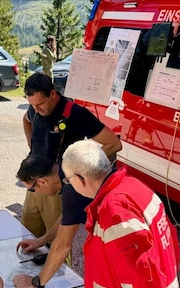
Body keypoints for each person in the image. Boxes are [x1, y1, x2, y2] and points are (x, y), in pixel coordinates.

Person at [61, 139, 180, 288]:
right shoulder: (134, 188)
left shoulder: (116, 212)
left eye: (68, 181)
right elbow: (171, 243)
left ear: (80, 179)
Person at [21, 72, 121, 238]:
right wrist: (32, 145)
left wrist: (82, 166)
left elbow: (114, 144)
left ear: (52, 94)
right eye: (32, 105)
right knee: (27, 237)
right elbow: (26, 119)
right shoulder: (36, 110)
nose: (36, 110)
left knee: (56, 243)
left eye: (40, 104)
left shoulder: (75, 114)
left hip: (57, 189)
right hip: (34, 186)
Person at [12, 154, 92, 288]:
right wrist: (42, 240)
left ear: (42, 182)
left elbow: (62, 245)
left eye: (32, 189)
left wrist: (37, 282)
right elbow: (65, 216)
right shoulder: (67, 172)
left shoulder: (72, 188)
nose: (35, 193)